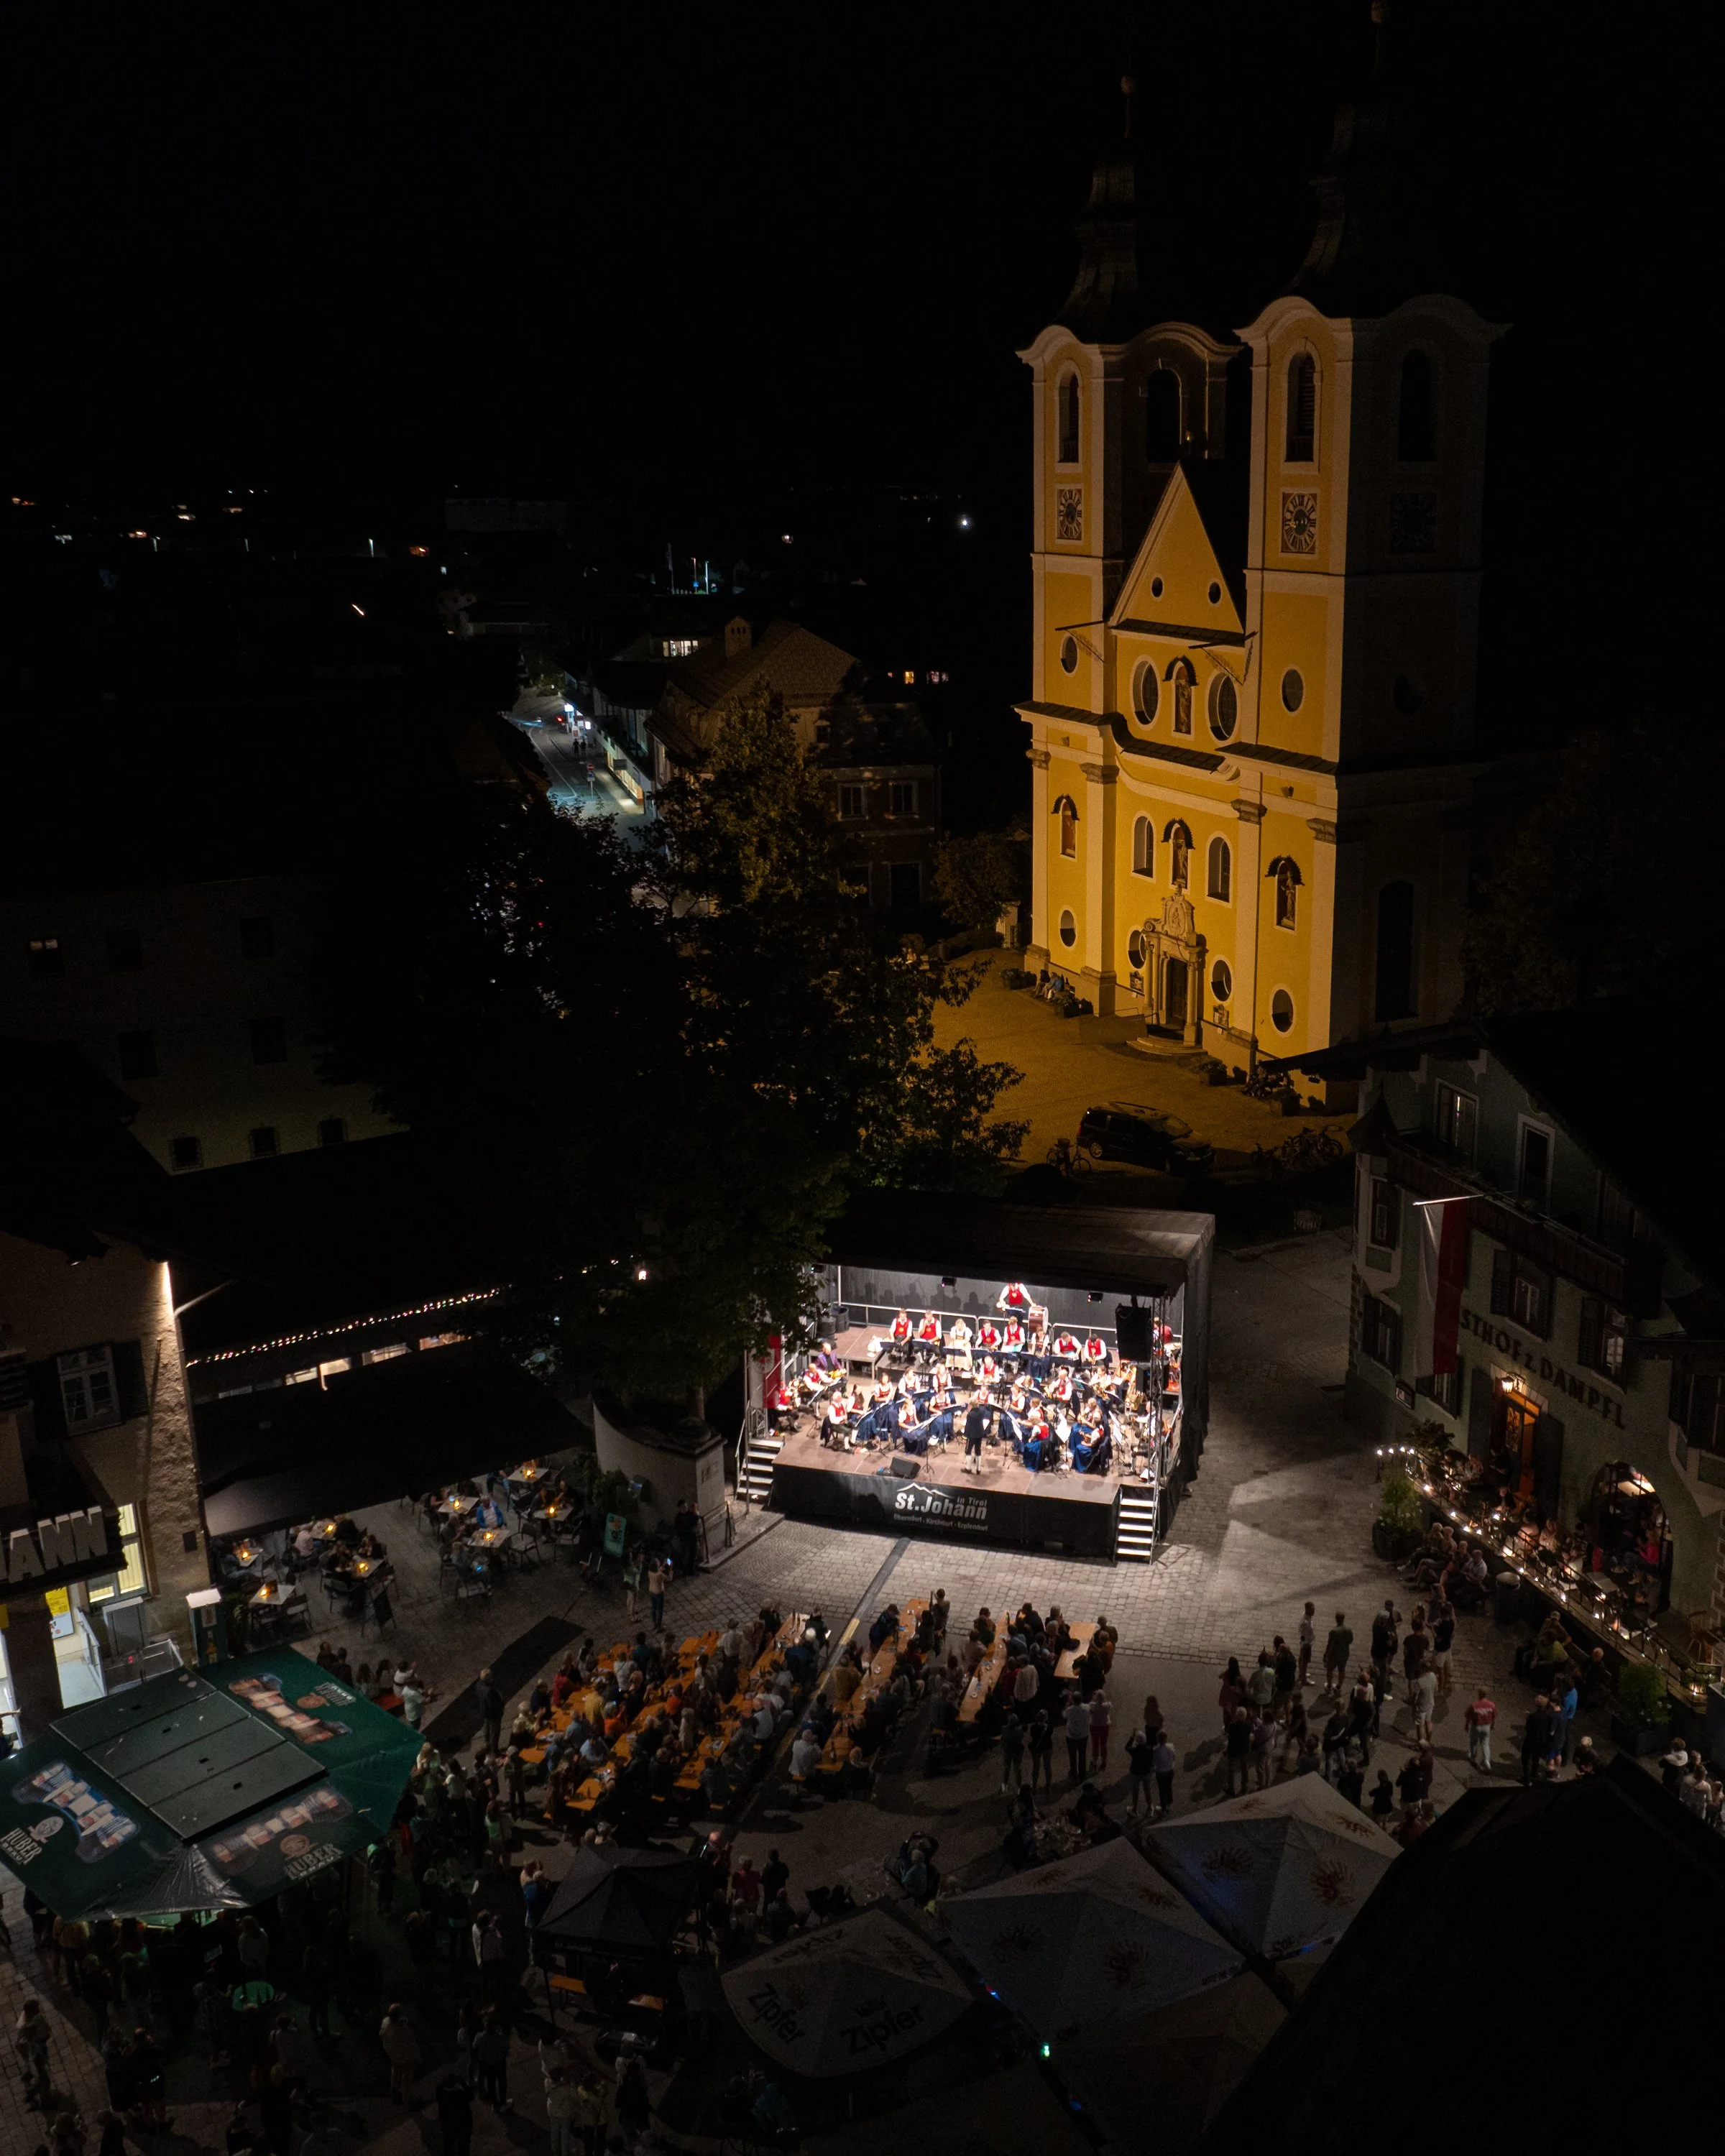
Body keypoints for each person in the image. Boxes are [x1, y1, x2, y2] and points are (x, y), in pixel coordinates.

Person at [380, 2004, 421, 2105]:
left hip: (393, 2055)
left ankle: (394, 2093)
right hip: (404, 2057)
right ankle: (407, 2100)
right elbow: (410, 2044)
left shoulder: (386, 2023)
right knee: (407, 2078)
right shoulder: (401, 2032)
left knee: (395, 2072)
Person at [436, 2073, 476, 2156]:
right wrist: (463, 2083)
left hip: (448, 2124)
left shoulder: (441, 2093)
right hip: (463, 2123)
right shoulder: (460, 2095)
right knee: (464, 2147)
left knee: (449, 2146)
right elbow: (471, 2096)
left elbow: (439, 2088)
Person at [1466, 1688, 1496, 1773]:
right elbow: (1494, 1716)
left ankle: (1473, 1757)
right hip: (1487, 1726)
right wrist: (1492, 1725)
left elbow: (1468, 1716)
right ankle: (1487, 1761)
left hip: (1476, 1726)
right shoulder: (1492, 1705)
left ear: (1479, 1694)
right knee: (1485, 1743)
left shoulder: (1474, 1705)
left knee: (1474, 1742)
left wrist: (1467, 1725)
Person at [1322, 1613, 1353, 1697]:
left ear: (1336, 1619)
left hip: (1334, 1655)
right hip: (1345, 1653)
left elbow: (1330, 1645)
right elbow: (1350, 1641)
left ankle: (1329, 1686)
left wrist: (1326, 1655)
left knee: (1330, 1670)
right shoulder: (1349, 1630)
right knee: (1342, 1670)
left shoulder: (1333, 1631)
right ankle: (1339, 1687)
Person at [477, 1669, 505, 1757]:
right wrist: (500, 1711)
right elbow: (493, 1706)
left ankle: (487, 1746)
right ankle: (495, 1751)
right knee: (494, 1733)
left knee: (487, 1729)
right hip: (493, 1716)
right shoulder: (489, 1691)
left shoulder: (478, 1685)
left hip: (485, 1713)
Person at [1064, 1691, 1091, 1782]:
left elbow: (1064, 1715)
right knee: (1082, 1754)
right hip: (1083, 1735)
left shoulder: (1070, 1710)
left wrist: (1067, 1704)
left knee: (1072, 1755)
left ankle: (1073, 1772)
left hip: (1071, 1736)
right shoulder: (1087, 1708)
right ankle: (1082, 1773)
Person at [1225, 1706, 1252, 1796]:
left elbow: (1230, 1737)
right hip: (1244, 1750)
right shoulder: (1248, 1726)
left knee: (1231, 1770)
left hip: (1233, 1750)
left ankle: (1231, 1788)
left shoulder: (1232, 1727)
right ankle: (1245, 1787)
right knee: (1244, 1769)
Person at [1028, 1709, 1054, 1792]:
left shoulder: (1033, 1727)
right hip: (1047, 1747)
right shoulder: (1049, 1727)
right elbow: (1050, 1734)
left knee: (1036, 1767)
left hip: (1037, 1749)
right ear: (1046, 1718)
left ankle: (1034, 1785)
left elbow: (1032, 1735)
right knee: (1047, 1766)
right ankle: (1048, 1785)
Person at [999, 1710, 1025, 1792]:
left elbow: (1003, 1739)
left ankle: (1005, 1785)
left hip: (1007, 1752)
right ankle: (1019, 1787)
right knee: (1017, 1770)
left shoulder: (1004, 1729)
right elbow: (1022, 1737)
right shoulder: (1019, 1730)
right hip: (1017, 1752)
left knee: (1007, 1768)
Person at [1151, 1731, 1177, 1817]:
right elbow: (1174, 1757)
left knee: (1162, 1790)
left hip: (1161, 1772)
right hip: (1170, 1770)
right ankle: (1169, 1802)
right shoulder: (1171, 1747)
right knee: (1169, 1786)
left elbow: (1154, 1763)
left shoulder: (1156, 1750)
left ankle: (1164, 1808)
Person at [1088, 1688, 1112, 1773]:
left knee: (1095, 1744)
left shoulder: (1092, 1705)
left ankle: (1095, 1761)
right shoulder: (1107, 1705)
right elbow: (1109, 1706)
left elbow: (1090, 1710)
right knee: (1103, 1743)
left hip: (1094, 1726)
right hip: (1104, 1726)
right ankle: (1104, 1760)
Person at [1297, 1601, 1317, 1689]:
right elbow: (1302, 1635)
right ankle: (1304, 1680)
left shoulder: (1307, 1616)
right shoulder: (1305, 1622)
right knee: (1304, 1661)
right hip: (1306, 1645)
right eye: (1312, 1610)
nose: (1314, 1611)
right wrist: (1306, 1644)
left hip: (1306, 1644)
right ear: (1307, 1610)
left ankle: (1302, 1673)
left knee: (1301, 1658)